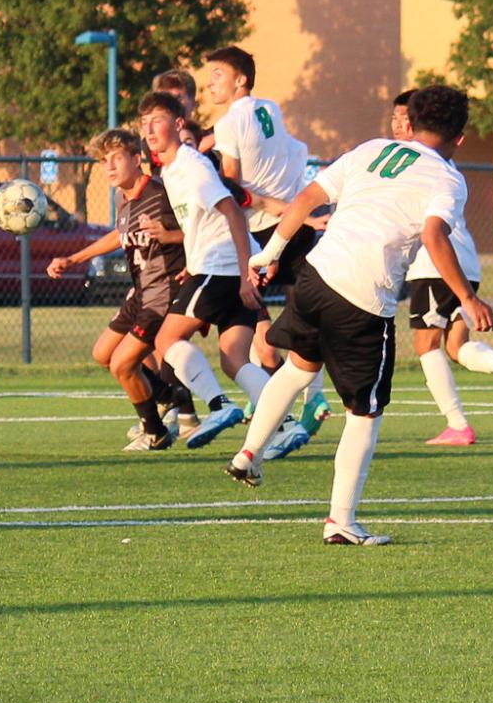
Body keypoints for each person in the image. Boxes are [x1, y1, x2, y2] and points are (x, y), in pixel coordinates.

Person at [224, 85, 493, 546]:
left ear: (410, 121)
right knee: (365, 413)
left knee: (299, 368)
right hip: (363, 299)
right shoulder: (449, 178)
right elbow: (433, 235)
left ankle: (249, 454)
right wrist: (467, 298)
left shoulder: (372, 149)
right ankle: (340, 522)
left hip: (316, 275)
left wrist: (270, 252)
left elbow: (308, 197)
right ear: (461, 137)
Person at [111, 91, 270, 450]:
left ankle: (219, 405)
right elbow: (202, 222)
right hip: (217, 265)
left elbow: (231, 210)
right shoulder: (170, 171)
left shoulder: (191, 165)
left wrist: (246, 271)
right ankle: (285, 423)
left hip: (225, 265)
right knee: (234, 359)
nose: (149, 129)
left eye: (158, 120)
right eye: (145, 122)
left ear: (178, 123)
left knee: (167, 339)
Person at [390, 91, 493, 445]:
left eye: (402, 118)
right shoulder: (440, 162)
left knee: (426, 345)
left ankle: (457, 424)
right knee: (455, 346)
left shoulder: (413, 161)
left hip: (434, 262)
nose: (397, 125)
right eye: (393, 118)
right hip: (465, 263)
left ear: (418, 123)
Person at [204, 45, 319, 459]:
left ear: (240, 80)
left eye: (217, 74)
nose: (210, 82)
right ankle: (302, 400)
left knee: (255, 333)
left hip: (261, 232)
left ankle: (298, 407)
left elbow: (234, 187)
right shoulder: (270, 107)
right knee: (286, 320)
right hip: (293, 224)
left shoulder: (230, 120)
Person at [47, 129, 191, 450]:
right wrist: (74, 258)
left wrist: (176, 242)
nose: (109, 167)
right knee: (103, 354)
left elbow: (199, 229)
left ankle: (155, 432)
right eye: (103, 161)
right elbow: (119, 234)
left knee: (122, 365)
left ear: (137, 160)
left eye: (116, 159)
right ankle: (169, 394)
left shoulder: (161, 195)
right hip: (141, 292)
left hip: (164, 293)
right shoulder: (122, 198)